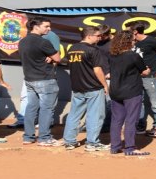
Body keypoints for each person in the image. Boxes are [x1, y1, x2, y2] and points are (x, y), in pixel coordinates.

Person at [63, 26, 109, 152]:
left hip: (77, 88)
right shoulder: (93, 50)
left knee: (74, 115)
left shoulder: (72, 48)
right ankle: (92, 143)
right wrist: (105, 85)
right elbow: (97, 69)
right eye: (97, 36)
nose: (99, 38)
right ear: (89, 36)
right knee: (95, 116)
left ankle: (69, 141)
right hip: (93, 87)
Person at [18, 17, 62, 147]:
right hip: (45, 79)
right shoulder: (43, 42)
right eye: (46, 26)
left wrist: (48, 56)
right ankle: (44, 138)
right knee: (46, 109)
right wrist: (50, 57)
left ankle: (28, 137)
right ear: (36, 27)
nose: (49, 29)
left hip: (29, 79)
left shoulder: (22, 42)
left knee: (31, 108)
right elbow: (58, 58)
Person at [7, 30, 61, 129]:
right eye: (46, 26)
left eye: (48, 26)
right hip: (29, 74)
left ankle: (46, 123)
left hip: (45, 75)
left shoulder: (51, 35)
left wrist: (51, 67)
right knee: (25, 98)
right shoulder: (26, 38)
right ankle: (22, 120)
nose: (47, 28)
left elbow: (57, 54)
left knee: (46, 102)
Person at [109, 30, 151, 156]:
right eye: (133, 40)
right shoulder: (133, 55)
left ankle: (115, 147)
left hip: (116, 91)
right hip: (131, 91)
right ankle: (130, 148)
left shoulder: (112, 55)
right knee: (131, 120)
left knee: (116, 120)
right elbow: (144, 71)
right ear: (128, 41)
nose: (134, 42)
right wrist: (148, 69)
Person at [125, 21, 156, 137]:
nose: (126, 33)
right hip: (135, 78)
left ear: (135, 32)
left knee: (155, 102)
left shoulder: (152, 41)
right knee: (139, 102)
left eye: (128, 31)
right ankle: (140, 127)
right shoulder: (129, 43)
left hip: (151, 77)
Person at [96, 24, 113, 133]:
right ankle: (97, 124)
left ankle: (107, 125)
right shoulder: (96, 42)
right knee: (97, 103)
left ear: (107, 34)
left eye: (101, 36)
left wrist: (111, 72)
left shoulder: (113, 44)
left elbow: (118, 59)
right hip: (97, 75)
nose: (99, 37)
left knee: (108, 102)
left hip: (108, 77)